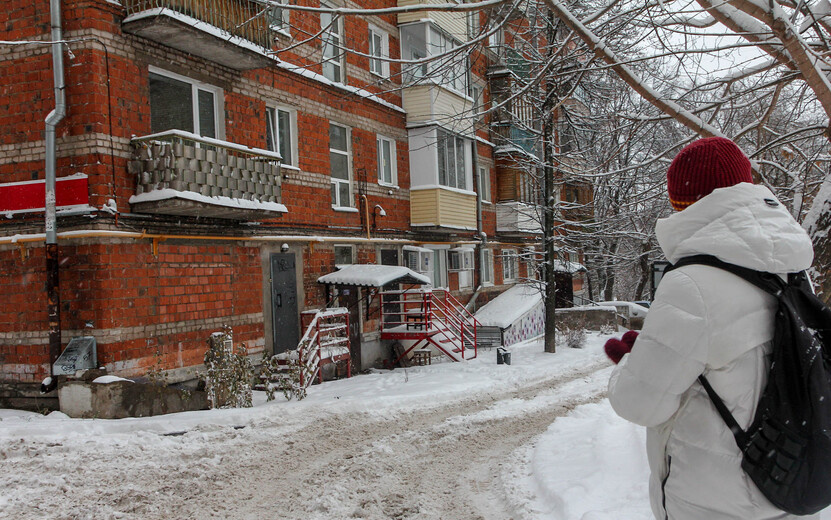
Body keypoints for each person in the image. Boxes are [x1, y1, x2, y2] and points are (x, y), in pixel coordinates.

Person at [604, 137, 817, 519]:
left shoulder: (692, 283)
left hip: (715, 501)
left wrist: (629, 362)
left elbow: (640, 402)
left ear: (684, 203)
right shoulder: (792, 268)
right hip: (791, 477)